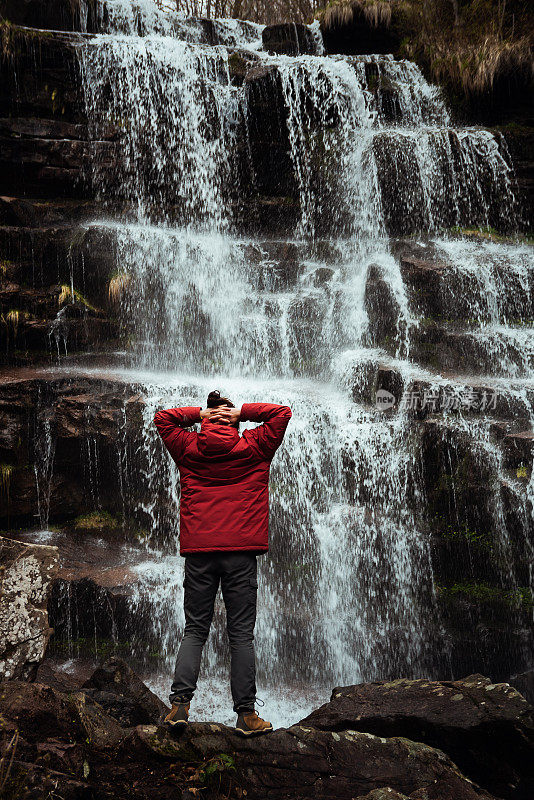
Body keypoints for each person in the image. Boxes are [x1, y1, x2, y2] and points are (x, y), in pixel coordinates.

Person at [153, 390, 292, 736]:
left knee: (195, 630)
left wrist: (200, 414)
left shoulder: (188, 448)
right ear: (231, 417)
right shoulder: (256, 445)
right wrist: (241, 413)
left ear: (206, 417)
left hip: (200, 554)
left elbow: (163, 418)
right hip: (241, 554)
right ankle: (246, 716)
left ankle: (179, 707)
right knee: (241, 633)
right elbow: (282, 414)